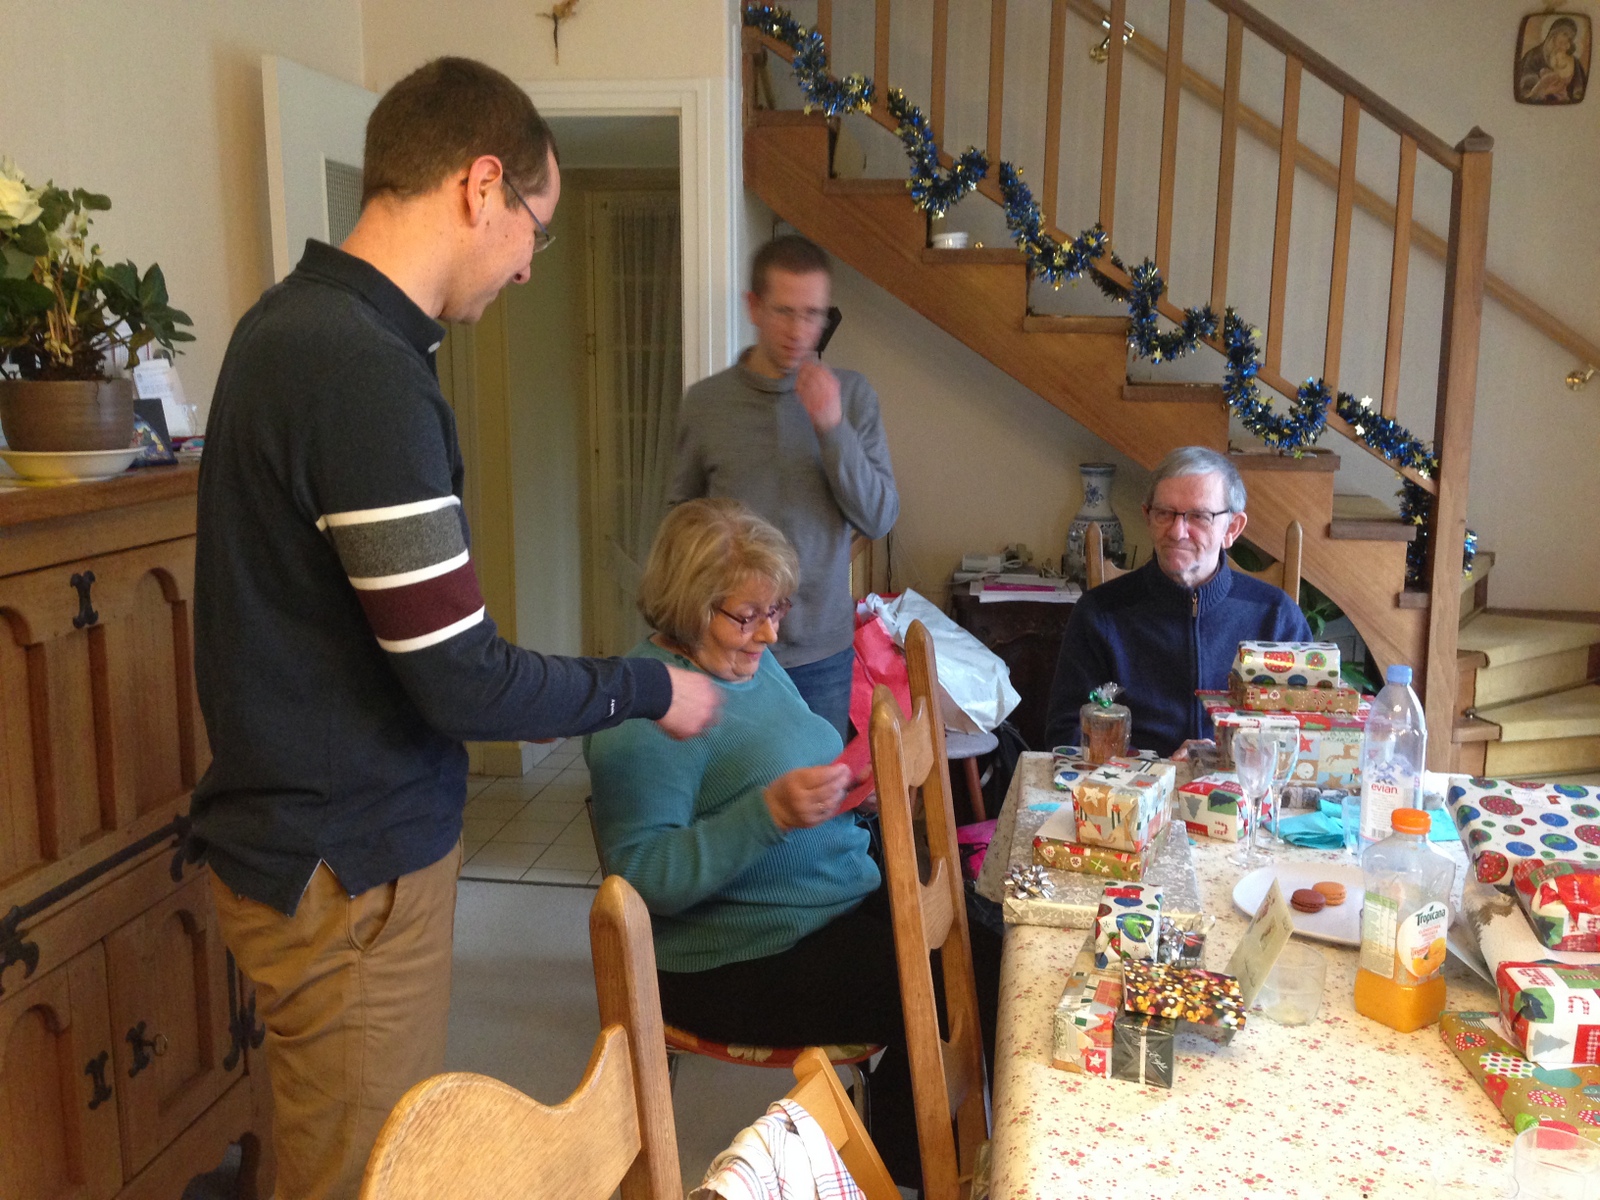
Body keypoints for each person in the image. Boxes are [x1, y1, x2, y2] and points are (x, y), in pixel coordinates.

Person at [189, 58, 719, 1200]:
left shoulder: (290, 326)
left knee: (324, 1152)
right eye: (537, 227)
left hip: (304, 844)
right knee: (362, 1178)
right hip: (348, 868)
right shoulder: (360, 371)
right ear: (482, 186)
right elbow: (462, 679)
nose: (530, 263)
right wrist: (648, 686)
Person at [584, 498, 924, 1189]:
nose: (768, 634)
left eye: (776, 610)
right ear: (688, 608)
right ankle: (896, 1175)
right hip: (730, 959)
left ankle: (906, 1161)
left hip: (824, 900)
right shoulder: (644, 718)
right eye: (746, 615)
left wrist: (842, 791)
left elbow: (781, 758)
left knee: (988, 942)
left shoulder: (747, 661)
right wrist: (767, 814)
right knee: (948, 986)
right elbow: (640, 879)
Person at [669, 234, 898, 741]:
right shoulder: (706, 404)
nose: (799, 331)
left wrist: (831, 426)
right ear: (753, 307)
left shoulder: (852, 395)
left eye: (813, 314)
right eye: (784, 312)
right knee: (735, 786)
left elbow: (880, 516)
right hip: (727, 651)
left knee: (819, 789)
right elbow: (679, 524)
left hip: (821, 653)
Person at [1044, 446, 1311, 756]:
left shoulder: (1276, 615)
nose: (1177, 531)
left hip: (1245, 781)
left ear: (1232, 528)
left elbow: (1309, 733)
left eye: (1199, 516)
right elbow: (1066, 736)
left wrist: (1228, 762)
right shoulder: (1100, 613)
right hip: (1135, 784)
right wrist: (1159, 769)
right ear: (1148, 517)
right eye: (1164, 513)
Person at [1517, 16, 1588, 104]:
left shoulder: (1574, 62)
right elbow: (1524, 85)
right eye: (1564, 34)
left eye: (1570, 38)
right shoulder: (1533, 55)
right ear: (1554, 33)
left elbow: (1579, 90)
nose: (1566, 39)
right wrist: (1542, 88)